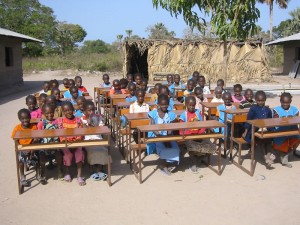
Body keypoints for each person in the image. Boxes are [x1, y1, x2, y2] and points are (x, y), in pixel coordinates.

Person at [147, 94, 180, 175]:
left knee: (174, 147)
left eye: (166, 104)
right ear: (158, 104)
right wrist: (161, 138)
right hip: (156, 136)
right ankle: (164, 165)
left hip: (168, 136)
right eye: (162, 104)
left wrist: (167, 139)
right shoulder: (153, 114)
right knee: (162, 147)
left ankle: (170, 163)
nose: (164, 106)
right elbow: (153, 127)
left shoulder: (170, 114)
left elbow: (170, 128)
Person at [179, 96, 214, 173]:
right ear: (186, 105)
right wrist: (190, 134)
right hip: (189, 137)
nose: (191, 107)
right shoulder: (183, 115)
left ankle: (198, 159)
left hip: (199, 135)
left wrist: (200, 132)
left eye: (193, 105)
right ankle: (193, 162)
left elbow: (202, 125)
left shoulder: (198, 112)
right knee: (193, 147)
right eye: (190, 105)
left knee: (212, 148)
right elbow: (181, 130)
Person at [242, 91, 275, 168]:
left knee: (269, 140)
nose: (260, 102)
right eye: (258, 100)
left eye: (262, 100)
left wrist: (272, 130)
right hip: (255, 130)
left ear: (265, 100)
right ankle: (265, 156)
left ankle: (269, 154)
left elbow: (270, 120)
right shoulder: (253, 109)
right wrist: (245, 131)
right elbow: (248, 120)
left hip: (266, 130)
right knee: (261, 140)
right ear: (256, 100)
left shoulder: (268, 110)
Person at [56, 101, 85, 185]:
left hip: (77, 142)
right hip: (66, 143)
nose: (68, 112)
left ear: (73, 109)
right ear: (63, 111)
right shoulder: (61, 121)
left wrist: (76, 142)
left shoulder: (78, 120)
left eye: (69, 110)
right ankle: (67, 173)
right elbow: (60, 134)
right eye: (65, 111)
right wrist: (67, 142)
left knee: (79, 153)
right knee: (67, 154)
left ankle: (79, 176)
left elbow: (80, 133)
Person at [81, 101, 109, 181]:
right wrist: (88, 125)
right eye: (89, 110)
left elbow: (101, 128)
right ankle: (92, 169)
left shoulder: (98, 117)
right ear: (84, 111)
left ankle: (99, 169)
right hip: (88, 139)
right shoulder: (82, 119)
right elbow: (83, 131)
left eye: (93, 110)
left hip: (98, 138)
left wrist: (95, 124)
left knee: (102, 150)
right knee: (92, 150)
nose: (91, 112)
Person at [11, 109, 38, 187]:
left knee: (35, 158)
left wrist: (31, 149)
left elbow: (36, 139)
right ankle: (22, 176)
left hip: (32, 146)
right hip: (22, 147)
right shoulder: (17, 128)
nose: (25, 120)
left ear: (30, 117)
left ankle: (37, 173)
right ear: (19, 119)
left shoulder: (33, 127)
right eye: (23, 119)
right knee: (21, 161)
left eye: (27, 118)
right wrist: (21, 149)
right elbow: (15, 140)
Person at [272, 93, 300, 168]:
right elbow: (274, 119)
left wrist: (293, 118)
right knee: (282, 142)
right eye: (283, 102)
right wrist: (281, 119)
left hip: (292, 131)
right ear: (280, 101)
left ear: (290, 101)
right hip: (281, 131)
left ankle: (286, 151)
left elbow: (297, 118)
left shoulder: (294, 109)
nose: (285, 104)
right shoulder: (276, 110)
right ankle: (283, 157)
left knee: (297, 138)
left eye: (287, 102)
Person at [37, 103, 63, 183]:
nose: (50, 114)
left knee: (59, 154)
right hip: (44, 144)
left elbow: (61, 131)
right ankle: (43, 173)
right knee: (42, 157)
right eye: (47, 113)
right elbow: (38, 134)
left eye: (51, 112)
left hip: (55, 143)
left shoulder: (57, 121)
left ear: (54, 112)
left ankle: (59, 169)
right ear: (43, 114)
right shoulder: (41, 123)